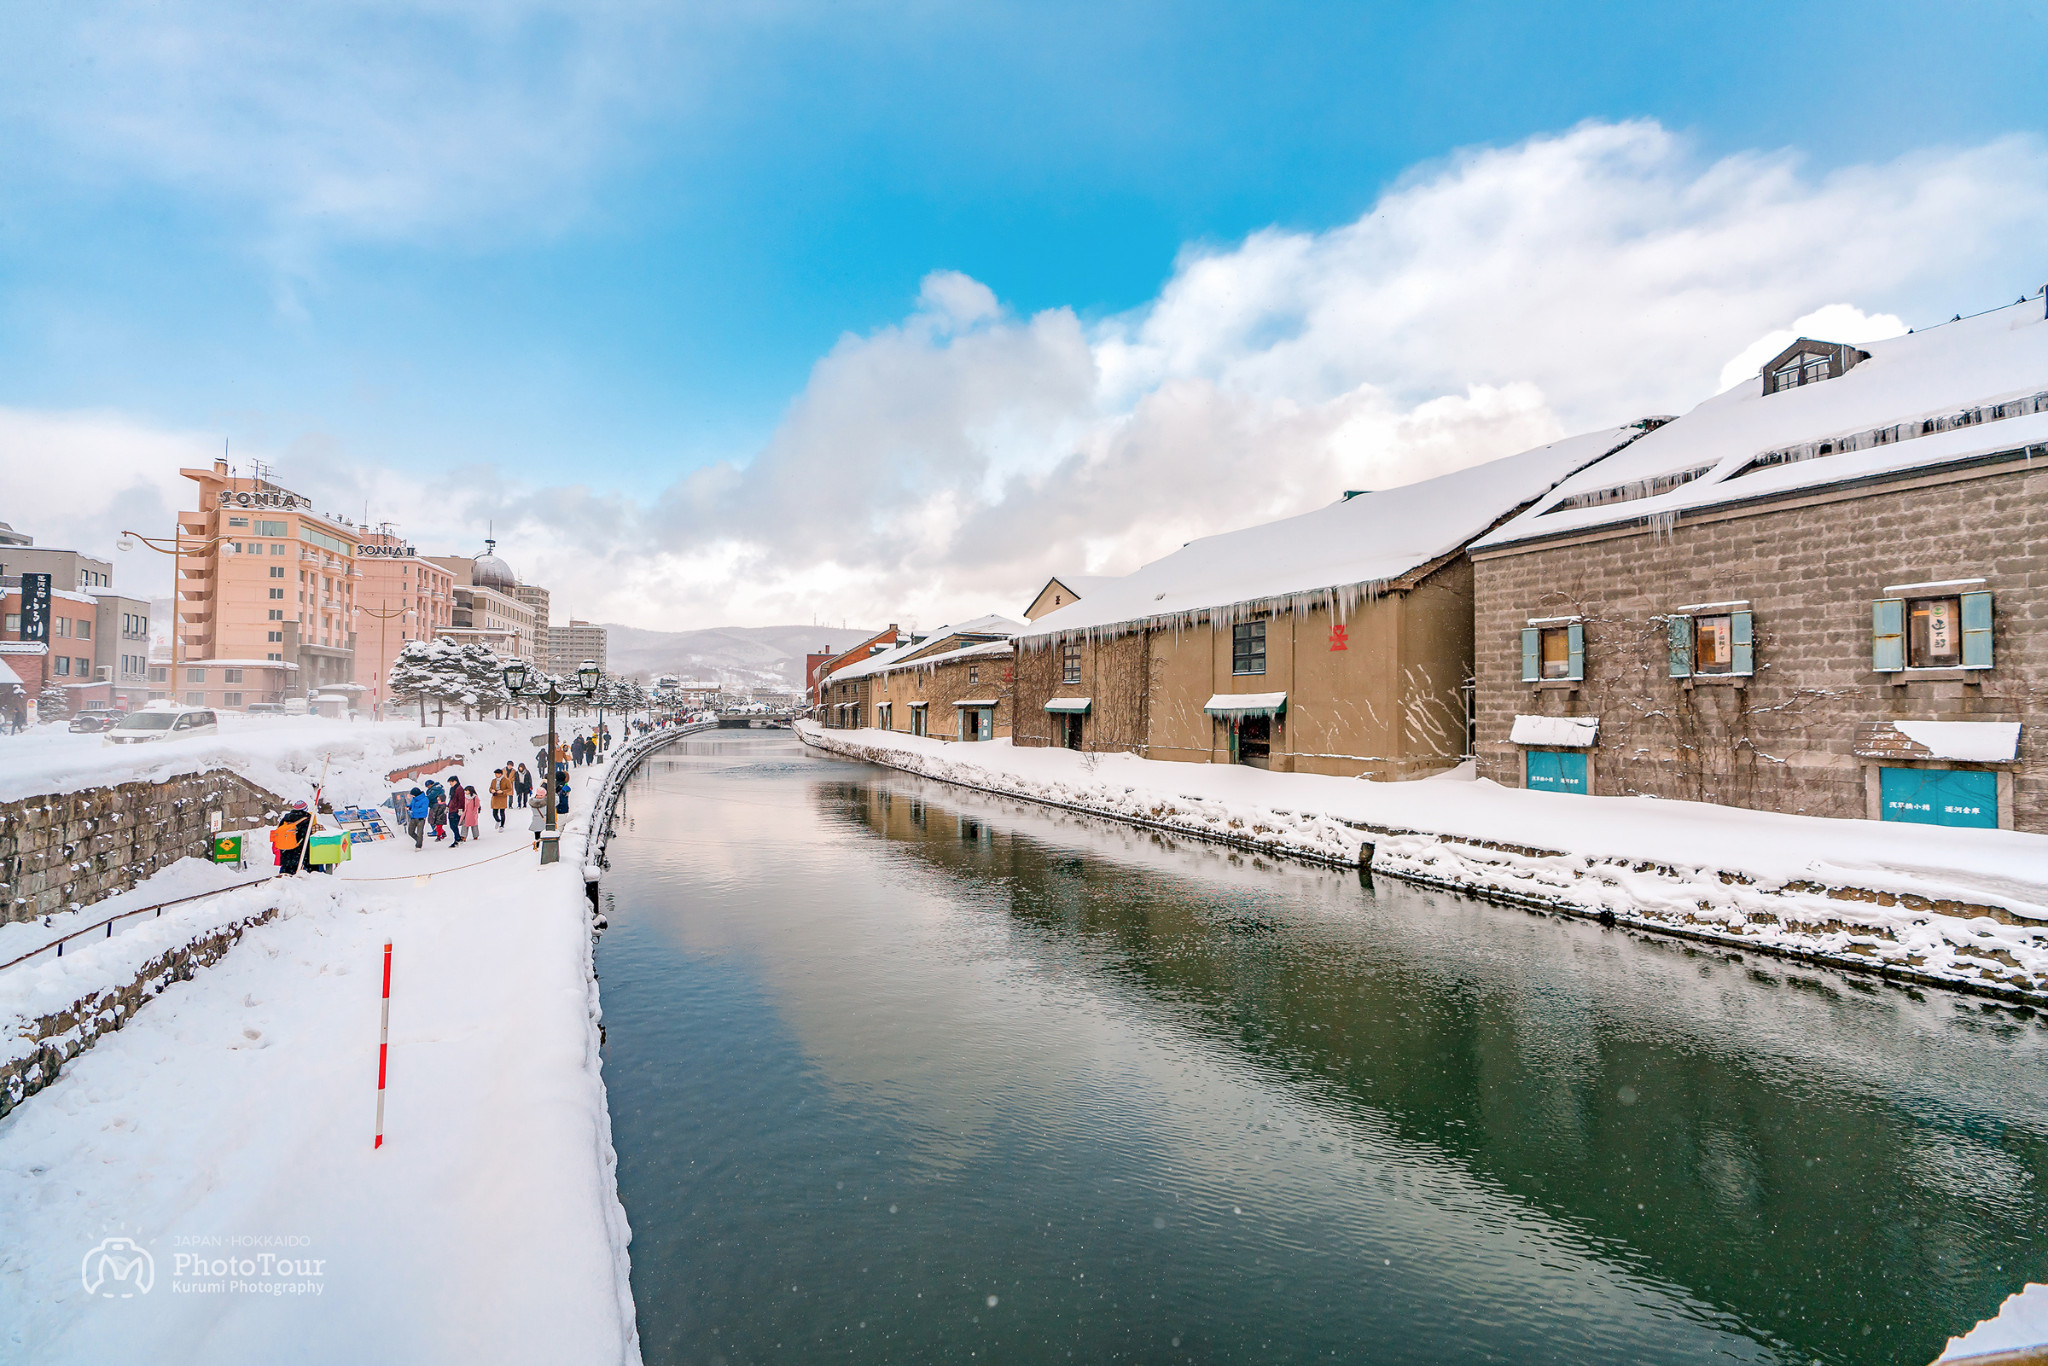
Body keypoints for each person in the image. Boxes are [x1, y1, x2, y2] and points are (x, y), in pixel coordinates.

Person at [275, 800, 314, 877]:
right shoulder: (307, 819)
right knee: (298, 869)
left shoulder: (285, 818)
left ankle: (282, 877)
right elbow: (306, 835)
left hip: (285, 849)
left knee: (286, 868)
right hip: (299, 849)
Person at [447, 779, 468, 846]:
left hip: (456, 809)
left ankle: (457, 839)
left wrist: (460, 809)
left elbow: (461, 800)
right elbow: (451, 799)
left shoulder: (459, 789)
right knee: (452, 825)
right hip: (452, 808)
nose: (450, 783)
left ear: (455, 781)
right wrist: (448, 806)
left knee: (454, 825)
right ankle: (458, 838)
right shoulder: (452, 789)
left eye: (451, 782)